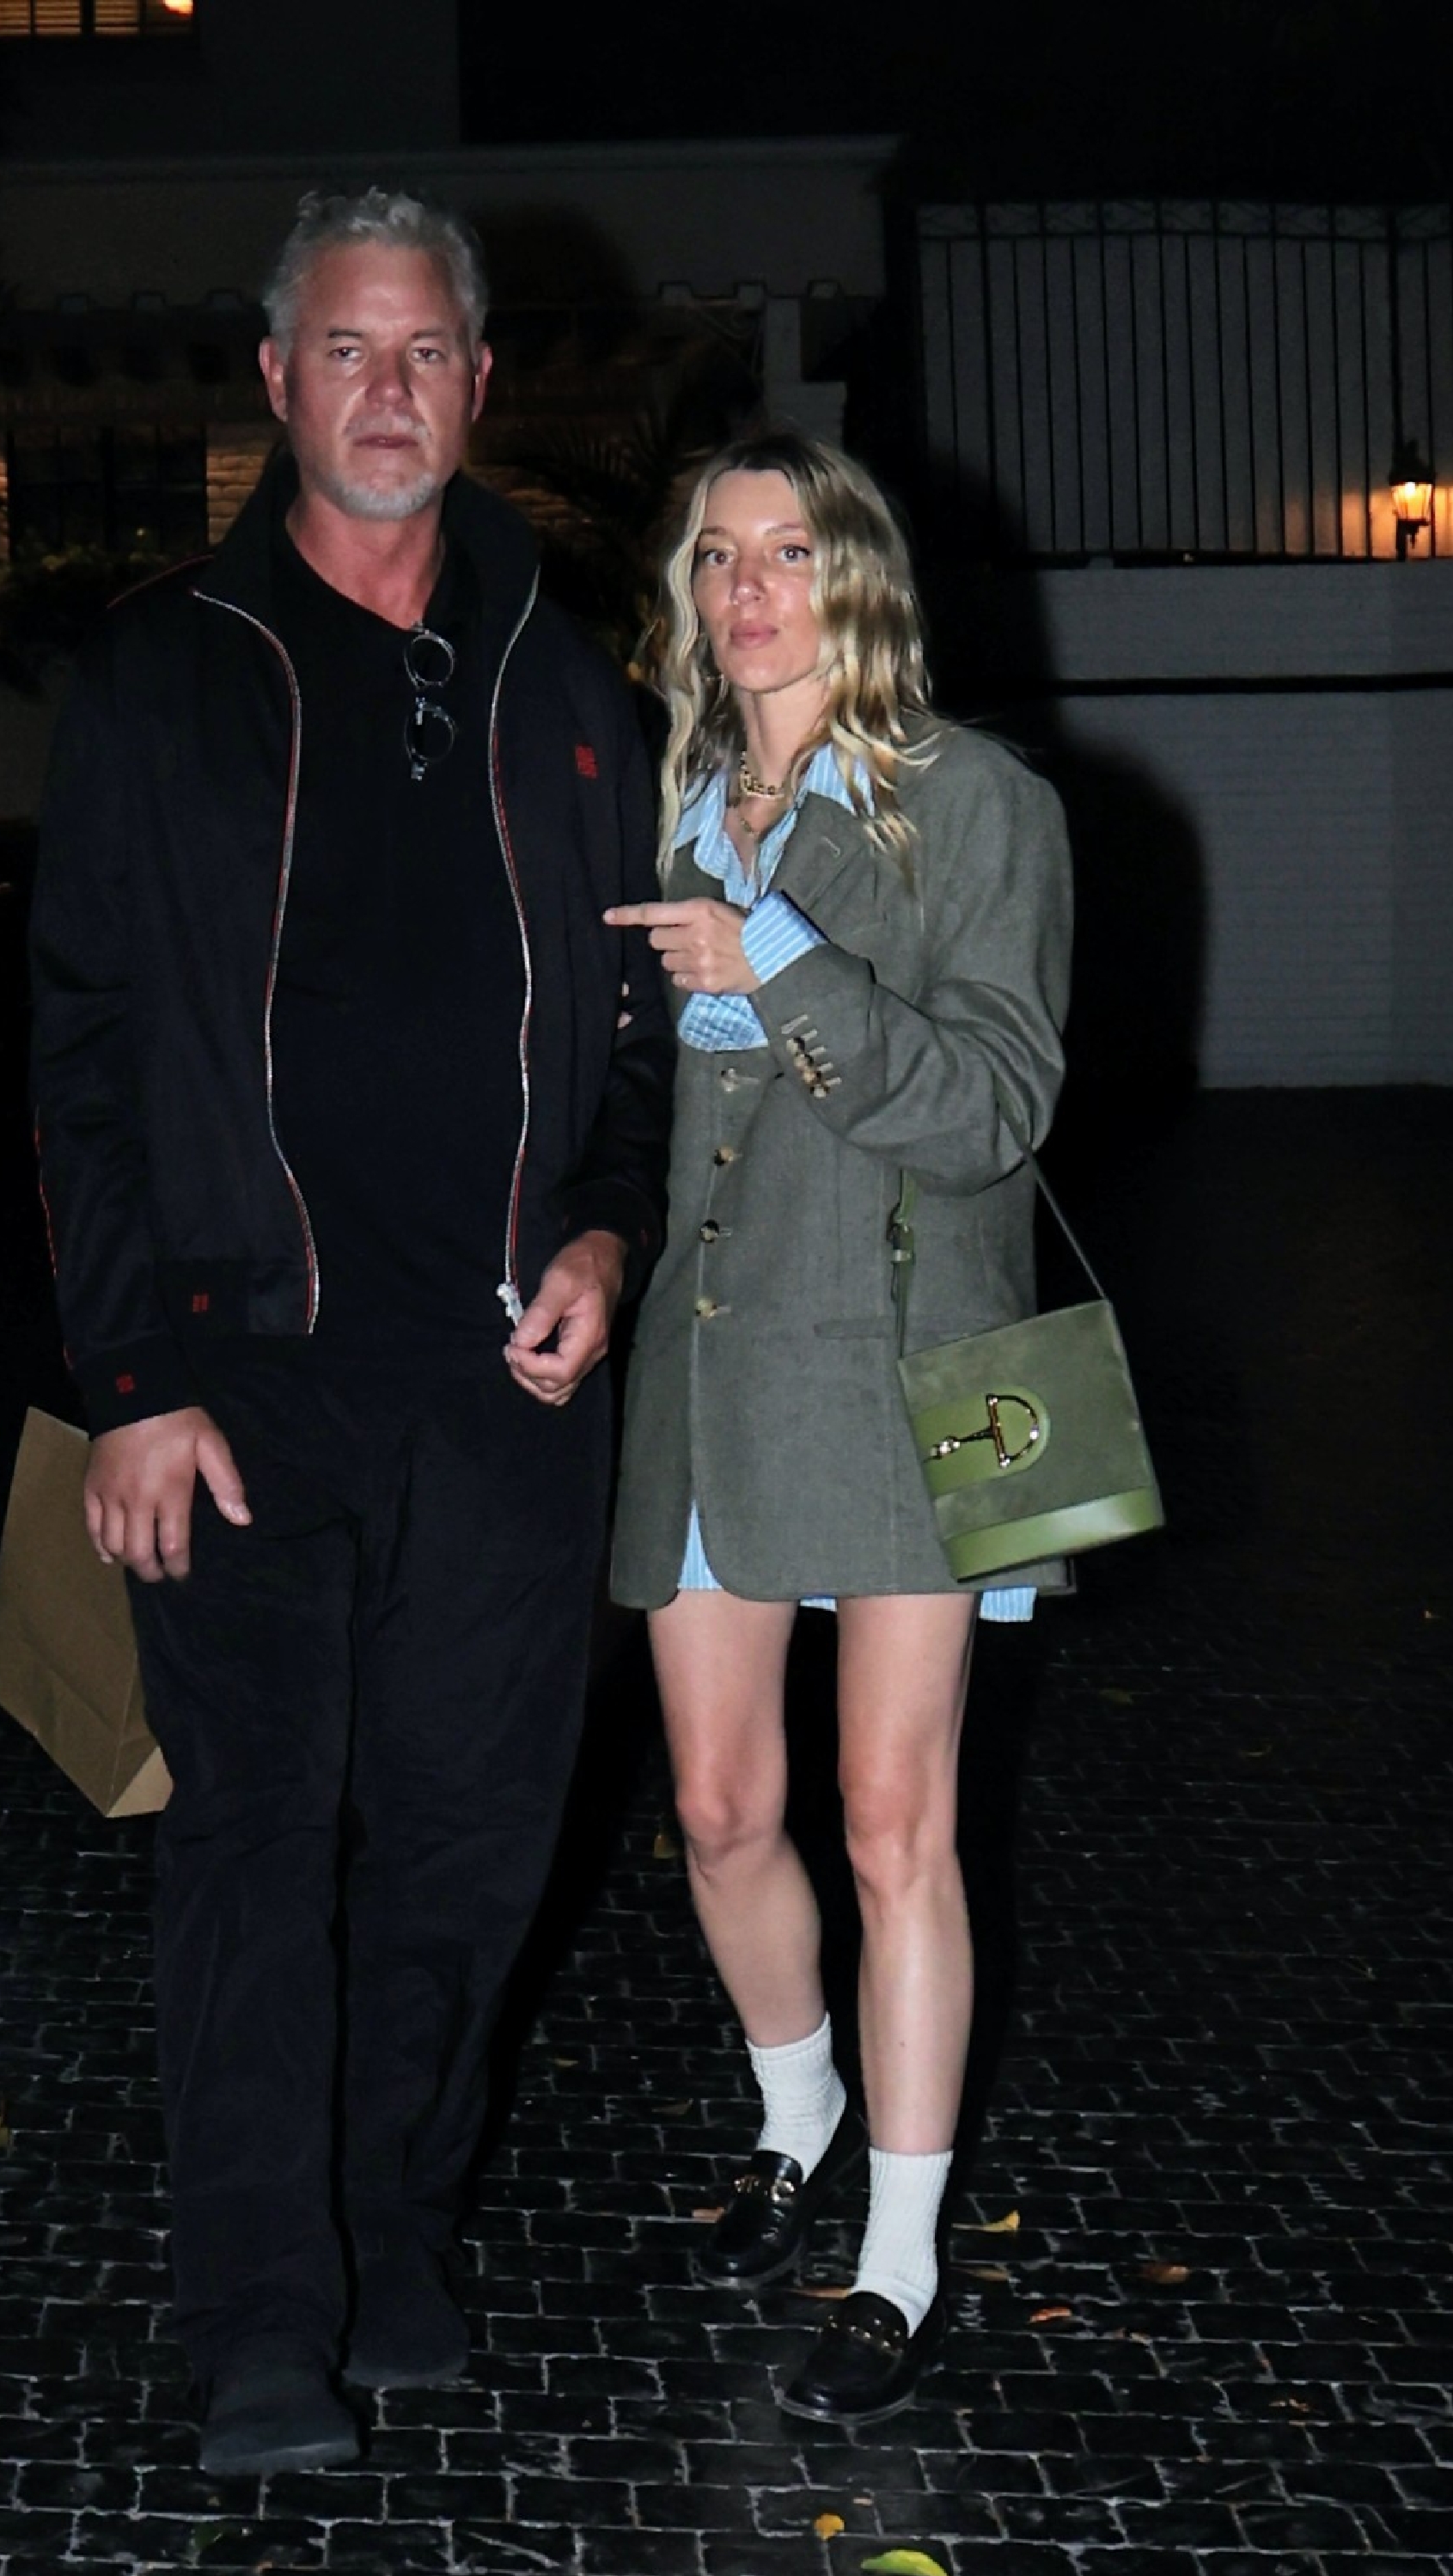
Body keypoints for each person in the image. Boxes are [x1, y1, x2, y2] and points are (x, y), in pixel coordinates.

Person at [28, 187, 672, 2479]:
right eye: (345, 349)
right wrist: (127, 1376)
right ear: (275, 378)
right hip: (240, 1365)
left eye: (427, 353)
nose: (387, 391)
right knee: (251, 1845)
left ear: (477, 384)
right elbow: (84, 1051)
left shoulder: (565, 679)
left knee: (473, 1840)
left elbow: (626, 1025)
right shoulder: (158, 677)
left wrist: (607, 1242)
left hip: (503, 1377)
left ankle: (393, 2223)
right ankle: (258, 2313)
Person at [606, 430, 1071, 2428]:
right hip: (708, 1368)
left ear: (855, 577)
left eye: (788, 550)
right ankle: (792, 2123)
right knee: (719, 1809)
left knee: (894, 1822)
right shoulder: (675, 802)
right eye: (719, 556)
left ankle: (895, 2261)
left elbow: (995, 1110)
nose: (749, 590)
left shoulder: (974, 804)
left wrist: (779, 960)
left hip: (917, 1363)